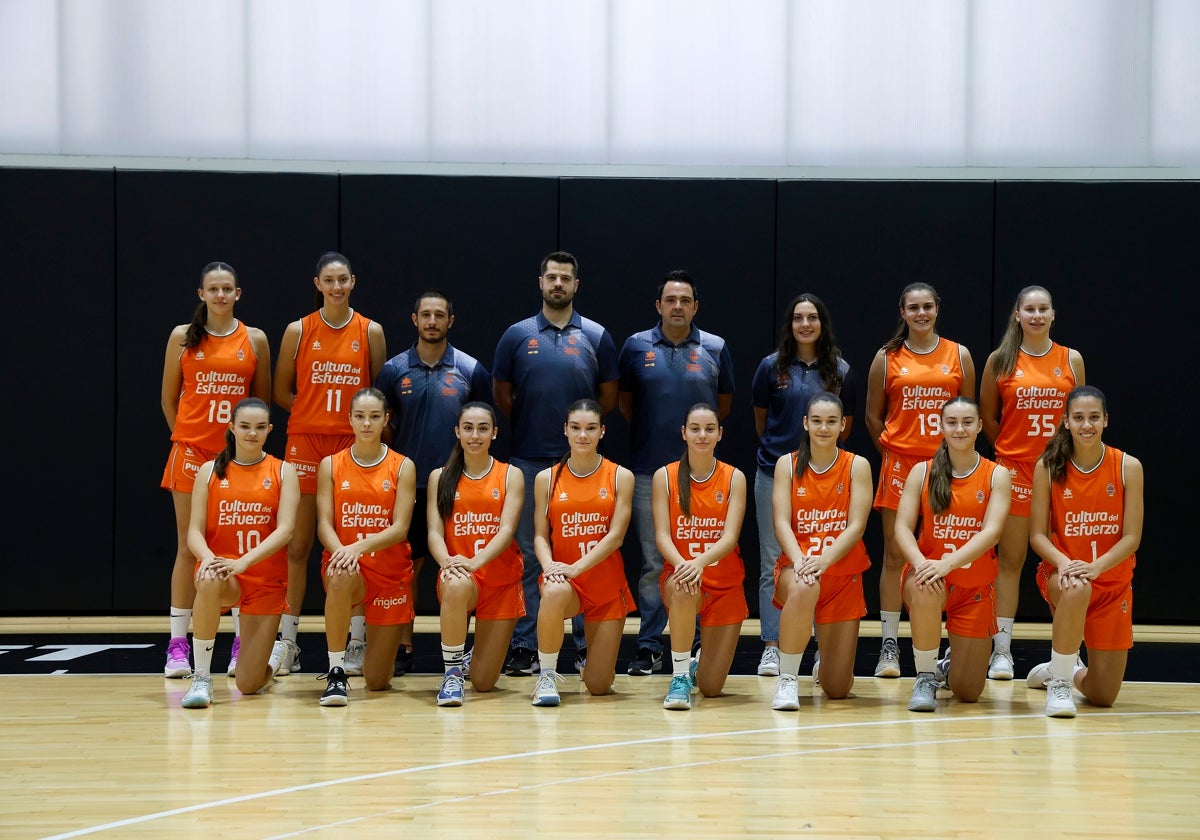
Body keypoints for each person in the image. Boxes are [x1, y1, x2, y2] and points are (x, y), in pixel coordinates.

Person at [492, 251, 619, 677]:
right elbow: (503, 397)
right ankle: (527, 644)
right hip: (529, 459)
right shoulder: (516, 335)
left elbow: (607, 399)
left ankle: (585, 644)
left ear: (576, 285)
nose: (558, 284)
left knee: (583, 549)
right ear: (540, 282)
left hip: (581, 461)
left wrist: (578, 438)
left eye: (566, 277)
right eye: (552, 277)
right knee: (530, 553)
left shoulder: (597, 336)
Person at [273, 251, 386, 676]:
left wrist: (354, 428)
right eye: (329, 280)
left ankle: (356, 640)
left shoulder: (370, 330)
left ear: (353, 282)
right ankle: (288, 642)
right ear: (317, 283)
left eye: (343, 280)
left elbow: (374, 396)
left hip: (349, 444)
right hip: (304, 443)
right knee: (298, 545)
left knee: (350, 549)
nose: (336, 287)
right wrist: (311, 416)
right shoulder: (298, 330)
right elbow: (282, 390)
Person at [619, 271, 735, 677]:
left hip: (701, 473)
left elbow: (723, 405)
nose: (678, 306)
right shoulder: (635, 346)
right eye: (670, 299)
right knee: (655, 561)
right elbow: (626, 403)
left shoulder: (715, 347)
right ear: (659, 305)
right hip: (651, 469)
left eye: (685, 300)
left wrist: (695, 445)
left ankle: (697, 639)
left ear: (695, 306)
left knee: (699, 558)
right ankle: (650, 644)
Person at [161, 261, 272, 679]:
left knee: (237, 548)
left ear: (238, 294)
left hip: (235, 460)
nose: (221, 296)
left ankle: (239, 641)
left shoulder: (255, 338)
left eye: (228, 289)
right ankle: (176, 646)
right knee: (188, 548)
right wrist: (189, 443)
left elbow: (259, 406)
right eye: (214, 289)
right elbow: (168, 400)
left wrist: (236, 451)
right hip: (191, 455)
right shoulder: (181, 337)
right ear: (201, 294)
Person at [375, 290, 492, 676]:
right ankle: (403, 645)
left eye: (439, 315)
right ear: (414, 319)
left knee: (463, 566)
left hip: (454, 485)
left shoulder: (470, 370)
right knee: (404, 569)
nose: (431, 322)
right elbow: (383, 428)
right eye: (425, 315)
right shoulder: (393, 370)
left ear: (450, 322)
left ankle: (467, 646)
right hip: (407, 486)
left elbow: (481, 424)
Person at [865, 283, 975, 679]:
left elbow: (968, 412)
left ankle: (944, 642)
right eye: (914, 308)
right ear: (903, 311)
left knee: (946, 552)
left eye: (928, 306)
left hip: (949, 467)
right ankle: (890, 645)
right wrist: (895, 455)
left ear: (937, 309)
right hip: (900, 465)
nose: (921, 313)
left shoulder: (959, 354)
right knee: (896, 555)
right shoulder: (887, 356)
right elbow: (873, 417)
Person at [978, 286, 1085, 681]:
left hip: (1061, 472)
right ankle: (1002, 651)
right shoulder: (1000, 360)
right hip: (1016, 471)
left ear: (1053, 314)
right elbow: (987, 417)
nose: (1036, 315)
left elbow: (1080, 413)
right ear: (1018, 314)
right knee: (1010, 561)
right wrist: (1010, 452)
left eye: (1043, 309)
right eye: (1029, 309)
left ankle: (1069, 651)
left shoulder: (1070, 358)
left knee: (1064, 562)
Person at [750, 293, 856, 677]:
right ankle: (773, 646)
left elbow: (847, 424)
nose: (805, 324)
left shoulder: (840, 369)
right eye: (798, 318)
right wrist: (783, 458)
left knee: (818, 560)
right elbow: (762, 419)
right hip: (775, 471)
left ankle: (816, 647)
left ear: (822, 324)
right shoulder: (770, 367)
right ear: (790, 325)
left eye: (813, 317)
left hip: (826, 475)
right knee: (773, 560)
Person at [1025, 386, 1143, 718]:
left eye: (1093, 417)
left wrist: (1096, 567)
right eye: (1078, 418)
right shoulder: (1048, 467)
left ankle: (1059, 669)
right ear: (1066, 422)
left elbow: (1131, 538)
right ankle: (1060, 684)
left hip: (1112, 581)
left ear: (1106, 420)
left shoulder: (1127, 467)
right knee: (1077, 586)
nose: (1086, 425)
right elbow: (1037, 536)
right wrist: (1066, 564)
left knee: (1103, 695)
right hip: (1063, 576)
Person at [180, 398, 301, 708]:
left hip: (265, 582)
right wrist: (207, 557)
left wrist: (243, 561)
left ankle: (274, 657)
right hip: (224, 574)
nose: (252, 433)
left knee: (248, 685)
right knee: (206, 579)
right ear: (231, 427)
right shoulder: (209, 471)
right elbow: (193, 531)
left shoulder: (284, 471)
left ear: (270, 430)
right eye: (245, 426)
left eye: (260, 427)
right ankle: (202, 678)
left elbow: (285, 530)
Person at [894, 397, 1011, 713]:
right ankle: (925, 676)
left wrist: (947, 563)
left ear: (979, 427)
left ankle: (947, 665)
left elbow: (992, 533)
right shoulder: (922, 472)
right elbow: (902, 528)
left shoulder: (996, 474)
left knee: (969, 692)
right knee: (925, 585)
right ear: (941, 426)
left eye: (967, 422)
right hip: (931, 579)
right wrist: (922, 564)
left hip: (974, 586)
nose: (960, 429)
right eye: (952, 422)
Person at [769, 391, 872, 710]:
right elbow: (781, 523)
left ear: (843, 425)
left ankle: (823, 662)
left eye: (831, 421)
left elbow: (856, 526)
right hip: (798, 570)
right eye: (816, 421)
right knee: (803, 586)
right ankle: (787, 679)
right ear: (805, 423)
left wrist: (823, 561)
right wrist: (801, 562)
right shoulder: (787, 464)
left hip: (841, 573)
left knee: (837, 689)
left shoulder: (858, 466)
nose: (823, 428)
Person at [314, 388, 416, 706]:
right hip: (349, 567)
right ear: (350, 420)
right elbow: (324, 525)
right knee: (341, 574)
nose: (367, 424)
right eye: (360, 417)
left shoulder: (402, 466)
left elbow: (400, 528)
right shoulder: (331, 465)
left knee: (376, 680)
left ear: (386, 419)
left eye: (374, 417)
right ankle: (335, 672)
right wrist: (342, 552)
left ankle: (367, 654)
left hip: (389, 573)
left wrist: (357, 546)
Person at [529, 399, 634, 706]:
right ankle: (547, 676)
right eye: (575, 428)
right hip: (566, 582)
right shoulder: (546, 479)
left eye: (590, 428)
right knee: (553, 591)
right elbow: (539, 535)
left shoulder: (620, 476)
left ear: (602, 432)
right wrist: (551, 568)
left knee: (598, 686)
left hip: (604, 584)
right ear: (566, 430)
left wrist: (575, 567)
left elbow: (615, 537)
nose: (583, 435)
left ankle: (595, 662)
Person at [426, 402, 525, 707]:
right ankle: (452, 672)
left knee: (484, 683)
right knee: (455, 585)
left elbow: (506, 531)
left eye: (483, 428)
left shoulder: (511, 475)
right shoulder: (439, 477)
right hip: (461, 578)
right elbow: (434, 533)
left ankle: (473, 657)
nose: (475, 435)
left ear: (494, 433)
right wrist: (447, 564)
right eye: (468, 428)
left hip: (499, 580)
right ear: (457, 431)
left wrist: (474, 562)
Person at [652, 404, 747, 711]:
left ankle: (696, 667)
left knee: (711, 687)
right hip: (681, 576)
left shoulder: (734, 478)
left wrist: (699, 563)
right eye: (695, 428)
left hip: (724, 583)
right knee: (683, 585)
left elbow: (730, 537)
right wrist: (685, 566)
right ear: (684, 433)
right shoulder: (664, 477)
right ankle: (679, 677)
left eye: (709, 429)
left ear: (720, 434)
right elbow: (662, 537)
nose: (702, 435)